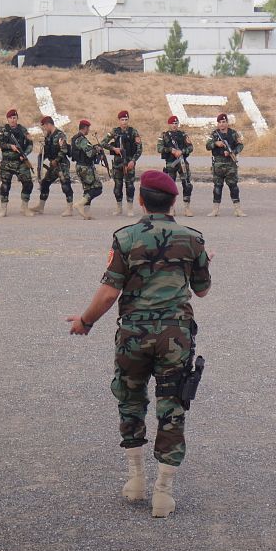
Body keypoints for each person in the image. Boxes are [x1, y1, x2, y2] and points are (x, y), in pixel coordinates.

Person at [67, 170, 212, 518]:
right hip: (175, 335)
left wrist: (85, 321)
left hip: (133, 334)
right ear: (174, 201)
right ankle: (163, 493)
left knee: (130, 399)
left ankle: (135, 480)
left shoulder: (126, 237)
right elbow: (202, 290)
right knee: (172, 406)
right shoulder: (192, 239)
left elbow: (109, 292)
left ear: (141, 200)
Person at [0, 109, 35, 217]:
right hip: (7, 162)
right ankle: (3, 209)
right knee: (5, 186)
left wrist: (25, 154)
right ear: (7, 119)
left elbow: (30, 144)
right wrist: (9, 146)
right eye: (11, 118)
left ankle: (24, 207)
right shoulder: (3, 130)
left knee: (28, 184)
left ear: (17, 118)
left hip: (20, 162)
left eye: (14, 118)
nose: (13, 120)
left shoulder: (23, 130)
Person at [101, 110, 142, 217]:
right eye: (122, 120)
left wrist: (133, 161)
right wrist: (114, 148)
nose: (124, 122)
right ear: (119, 121)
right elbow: (103, 143)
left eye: (126, 119)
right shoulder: (115, 131)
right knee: (117, 187)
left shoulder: (133, 132)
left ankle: (130, 208)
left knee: (130, 186)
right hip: (118, 163)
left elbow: (139, 149)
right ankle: (119, 208)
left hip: (129, 163)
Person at [31, 116, 74, 217]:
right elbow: (47, 150)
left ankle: (69, 209)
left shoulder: (60, 135)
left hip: (62, 164)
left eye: (44, 126)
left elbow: (63, 150)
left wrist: (56, 160)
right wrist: (42, 157)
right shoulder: (48, 136)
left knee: (66, 185)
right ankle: (41, 206)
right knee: (45, 183)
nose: (44, 129)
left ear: (48, 124)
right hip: (53, 165)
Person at [205, 113, 246, 217]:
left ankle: (238, 210)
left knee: (233, 186)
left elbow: (240, 145)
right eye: (219, 122)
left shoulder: (233, 133)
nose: (221, 124)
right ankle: (215, 210)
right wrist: (215, 143)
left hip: (230, 164)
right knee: (217, 187)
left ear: (227, 123)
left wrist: (232, 152)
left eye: (223, 122)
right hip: (218, 164)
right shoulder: (214, 134)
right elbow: (207, 146)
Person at [157, 115, 194, 217]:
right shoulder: (164, 135)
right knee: (169, 186)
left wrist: (182, 151)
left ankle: (187, 208)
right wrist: (171, 150)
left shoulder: (183, 135)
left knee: (187, 184)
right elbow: (159, 148)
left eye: (176, 123)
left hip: (182, 162)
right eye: (172, 123)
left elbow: (191, 147)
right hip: (170, 163)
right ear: (169, 124)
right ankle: (171, 208)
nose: (174, 125)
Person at [70, 119, 104, 220]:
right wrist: (97, 149)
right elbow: (90, 153)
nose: (88, 130)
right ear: (85, 128)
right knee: (97, 188)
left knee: (88, 190)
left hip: (80, 166)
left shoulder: (75, 138)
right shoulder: (82, 139)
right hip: (85, 167)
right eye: (88, 128)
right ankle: (80, 204)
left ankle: (86, 213)